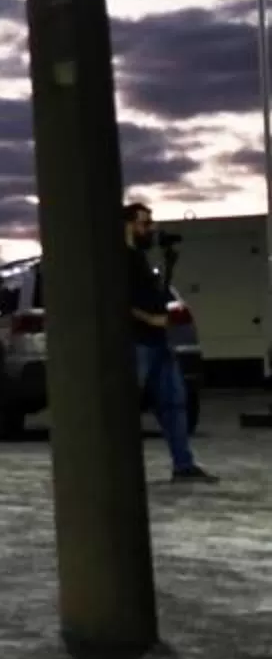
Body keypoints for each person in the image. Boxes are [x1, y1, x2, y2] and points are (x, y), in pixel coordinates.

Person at [127, 201, 215, 485]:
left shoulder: (142, 258)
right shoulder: (119, 259)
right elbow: (116, 298)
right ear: (128, 225)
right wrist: (147, 318)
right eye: (144, 223)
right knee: (127, 406)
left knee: (175, 403)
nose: (150, 229)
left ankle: (183, 464)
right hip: (137, 341)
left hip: (158, 342)